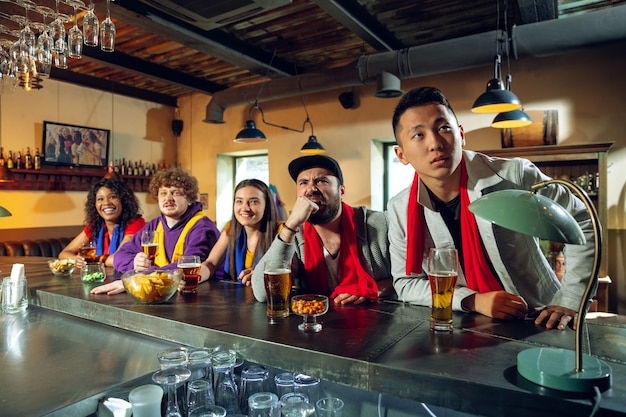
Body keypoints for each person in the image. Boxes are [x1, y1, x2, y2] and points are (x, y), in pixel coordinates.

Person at [387, 86, 595, 330]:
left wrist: (571, 299)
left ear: (461, 134)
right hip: (469, 325)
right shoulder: (400, 209)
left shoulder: (515, 175)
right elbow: (405, 283)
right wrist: (472, 300)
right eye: (418, 135)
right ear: (401, 154)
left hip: (541, 317)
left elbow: (582, 219)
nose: (435, 143)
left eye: (443, 128)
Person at [248, 155, 394, 305]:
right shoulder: (294, 234)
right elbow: (262, 293)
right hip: (317, 321)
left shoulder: (380, 224)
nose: (311, 188)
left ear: (341, 192)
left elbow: (413, 277)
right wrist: (290, 225)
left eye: (321, 181)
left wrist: (372, 289)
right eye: (303, 182)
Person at [91, 166, 221, 295]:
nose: (168, 198)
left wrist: (137, 279)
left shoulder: (202, 227)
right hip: (161, 293)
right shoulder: (154, 225)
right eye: (163, 193)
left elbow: (187, 268)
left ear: (189, 199)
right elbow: (120, 256)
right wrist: (135, 263)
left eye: (176, 193)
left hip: (199, 296)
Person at [199, 179, 281, 285]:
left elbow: (287, 270)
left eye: (254, 201)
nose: (245, 208)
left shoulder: (280, 231)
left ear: (267, 205)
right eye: (239, 201)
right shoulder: (231, 228)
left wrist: (260, 276)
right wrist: (195, 277)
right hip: (234, 298)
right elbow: (211, 263)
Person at [59, 178, 146, 269]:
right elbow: (64, 254)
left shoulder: (135, 223)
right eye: (100, 199)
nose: (106, 203)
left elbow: (119, 258)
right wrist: (76, 259)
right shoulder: (95, 226)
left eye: (112, 197)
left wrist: (92, 259)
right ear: (95, 205)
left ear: (123, 201)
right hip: (101, 279)